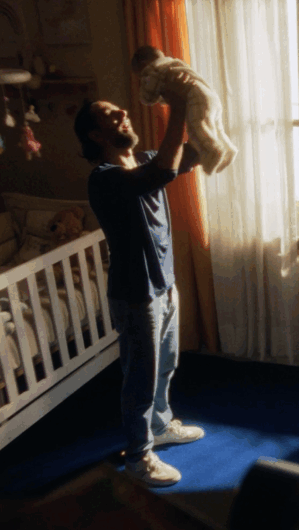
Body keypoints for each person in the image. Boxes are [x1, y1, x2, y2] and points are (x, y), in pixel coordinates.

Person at [73, 75, 205, 487]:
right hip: (135, 295)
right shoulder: (104, 177)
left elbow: (194, 152)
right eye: (111, 115)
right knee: (141, 380)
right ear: (96, 135)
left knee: (166, 365)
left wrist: (201, 102)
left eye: (121, 110)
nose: (123, 113)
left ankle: (160, 427)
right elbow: (162, 171)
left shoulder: (146, 159)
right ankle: (138, 456)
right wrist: (177, 106)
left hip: (165, 285)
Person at [130, 45, 238, 175]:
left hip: (195, 98)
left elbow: (148, 96)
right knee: (217, 128)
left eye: (140, 76)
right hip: (210, 96)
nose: (142, 79)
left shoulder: (154, 70)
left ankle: (212, 151)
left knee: (197, 128)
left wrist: (144, 96)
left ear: (143, 65)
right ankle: (229, 150)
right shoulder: (174, 64)